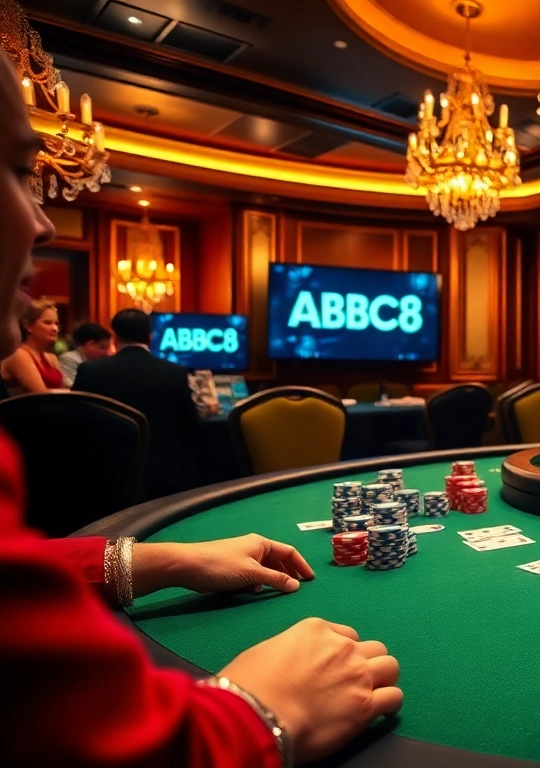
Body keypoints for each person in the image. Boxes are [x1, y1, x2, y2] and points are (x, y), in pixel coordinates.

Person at [0, 58, 400, 766]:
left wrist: (149, 559)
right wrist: (258, 711)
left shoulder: (83, 373)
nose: (41, 220)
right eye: (12, 169)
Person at [72, 309, 205, 499]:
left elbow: (78, 424)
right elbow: (190, 427)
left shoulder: (90, 371)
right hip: (164, 479)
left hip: (104, 476)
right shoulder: (175, 372)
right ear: (150, 336)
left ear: (115, 336)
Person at [0, 298, 64, 394]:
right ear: (28, 326)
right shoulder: (19, 355)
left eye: (56, 323)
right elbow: (41, 394)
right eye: (47, 323)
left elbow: (64, 390)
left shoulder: (52, 357)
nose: (55, 328)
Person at [57, 320, 112, 387]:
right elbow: (72, 387)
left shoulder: (100, 362)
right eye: (103, 347)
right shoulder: (68, 359)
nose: (106, 352)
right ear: (91, 344)